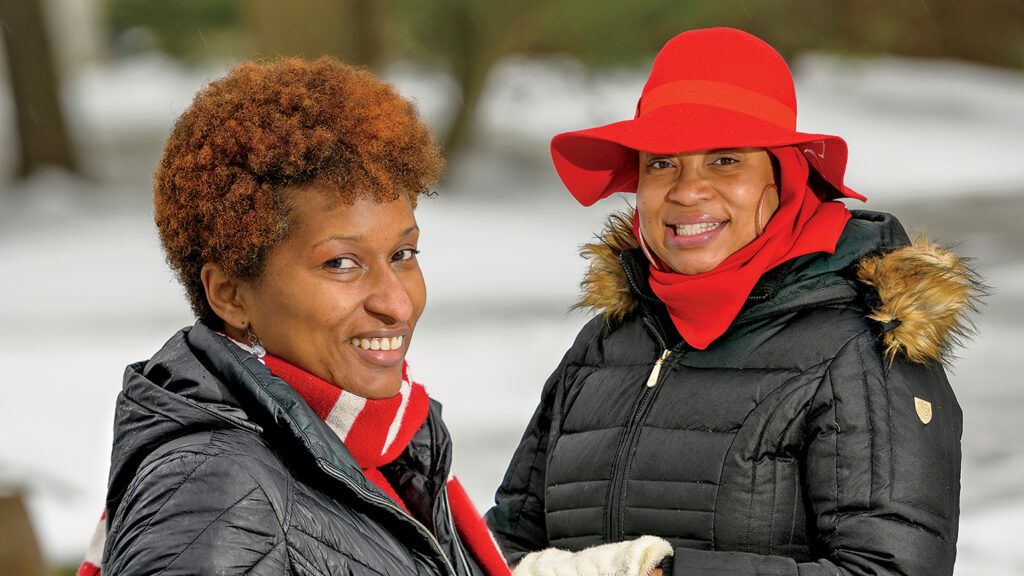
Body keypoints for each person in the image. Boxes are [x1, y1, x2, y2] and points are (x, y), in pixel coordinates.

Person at [486, 28, 982, 576]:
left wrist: (667, 574)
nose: (686, 190)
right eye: (661, 163)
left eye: (724, 160)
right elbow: (502, 545)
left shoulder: (861, 348)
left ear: (784, 176)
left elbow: (891, 571)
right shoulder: (605, 344)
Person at [77, 57, 510, 576]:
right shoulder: (215, 490)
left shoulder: (382, 452)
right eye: (341, 263)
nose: (396, 303)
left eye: (403, 255)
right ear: (230, 295)